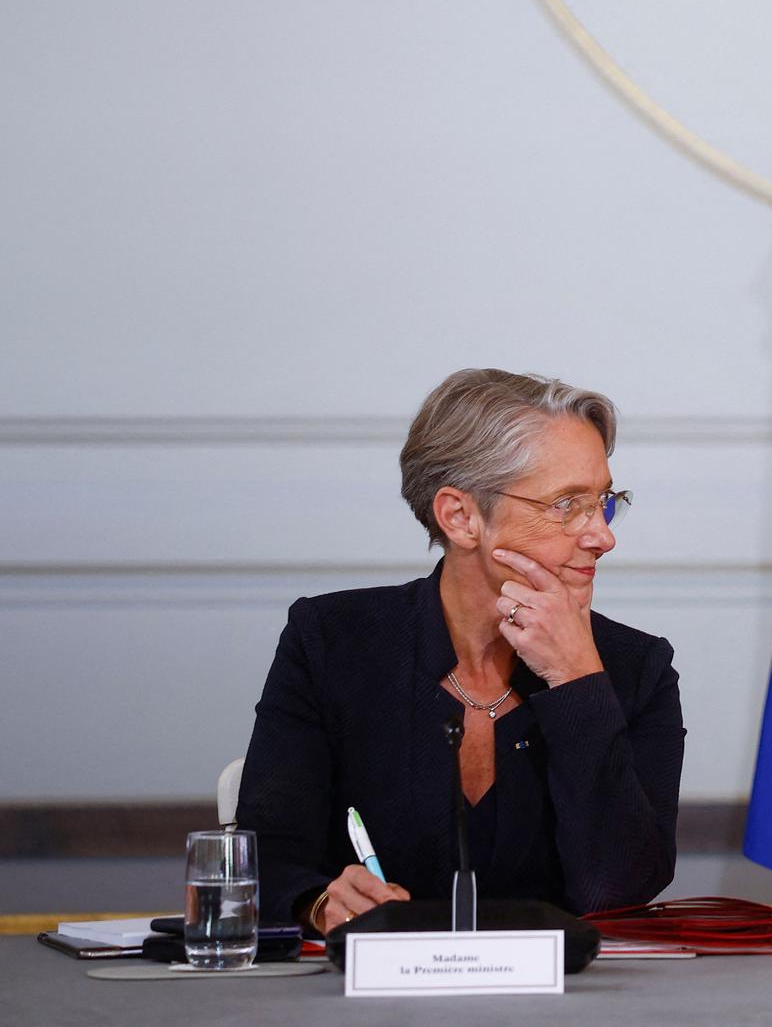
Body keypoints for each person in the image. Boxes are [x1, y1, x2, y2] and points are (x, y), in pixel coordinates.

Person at [236, 369, 684, 935]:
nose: (602, 535)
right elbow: (266, 858)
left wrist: (576, 679)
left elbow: (618, 891)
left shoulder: (636, 669)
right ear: (460, 516)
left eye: (604, 501)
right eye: (567, 504)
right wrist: (321, 902)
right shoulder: (331, 640)